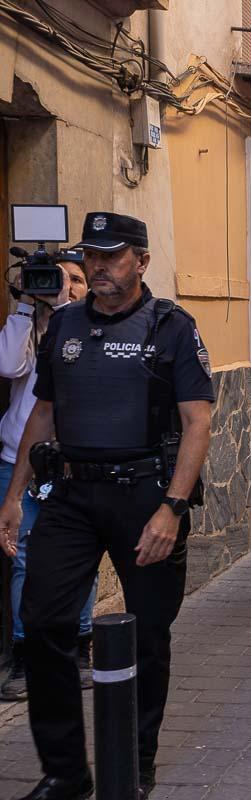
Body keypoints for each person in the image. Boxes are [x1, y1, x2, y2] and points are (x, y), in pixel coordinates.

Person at [0, 212, 214, 800]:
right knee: (43, 622)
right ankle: (65, 771)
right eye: (91, 256)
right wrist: (15, 495)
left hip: (144, 495)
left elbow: (199, 421)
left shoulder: (171, 326)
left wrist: (171, 508)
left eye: (112, 255)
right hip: (70, 494)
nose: (98, 266)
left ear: (141, 262)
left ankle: (135, 762)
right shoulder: (64, 323)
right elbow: (42, 413)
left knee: (148, 635)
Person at [0, 256, 91, 703]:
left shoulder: (91, 327)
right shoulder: (27, 326)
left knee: (83, 559)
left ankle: (80, 648)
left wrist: (64, 314)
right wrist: (24, 309)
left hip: (76, 462)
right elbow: (7, 366)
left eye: (76, 279)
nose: (66, 286)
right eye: (58, 279)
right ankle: (24, 653)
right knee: (23, 559)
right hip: (19, 459)